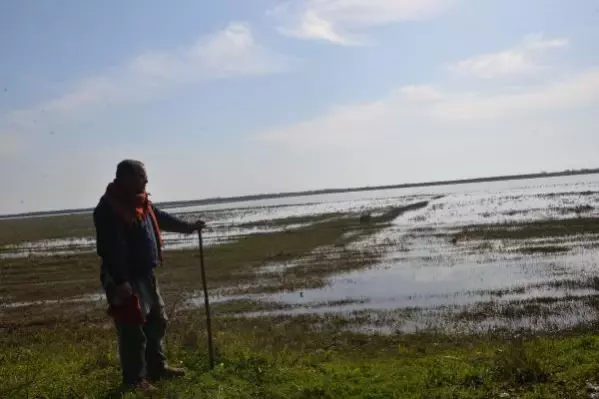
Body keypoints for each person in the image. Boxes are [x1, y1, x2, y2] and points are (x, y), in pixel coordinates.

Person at [93, 159, 205, 393]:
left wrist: (189, 227)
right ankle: (134, 380)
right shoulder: (109, 208)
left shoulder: (142, 204)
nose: (146, 180)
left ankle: (157, 367)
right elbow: (110, 248)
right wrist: (121, 282)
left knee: (156, 321)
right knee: (132, 328)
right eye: (141, 176)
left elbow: (162, 218)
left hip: (145, 274)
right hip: (125, 277)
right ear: (126, 178)